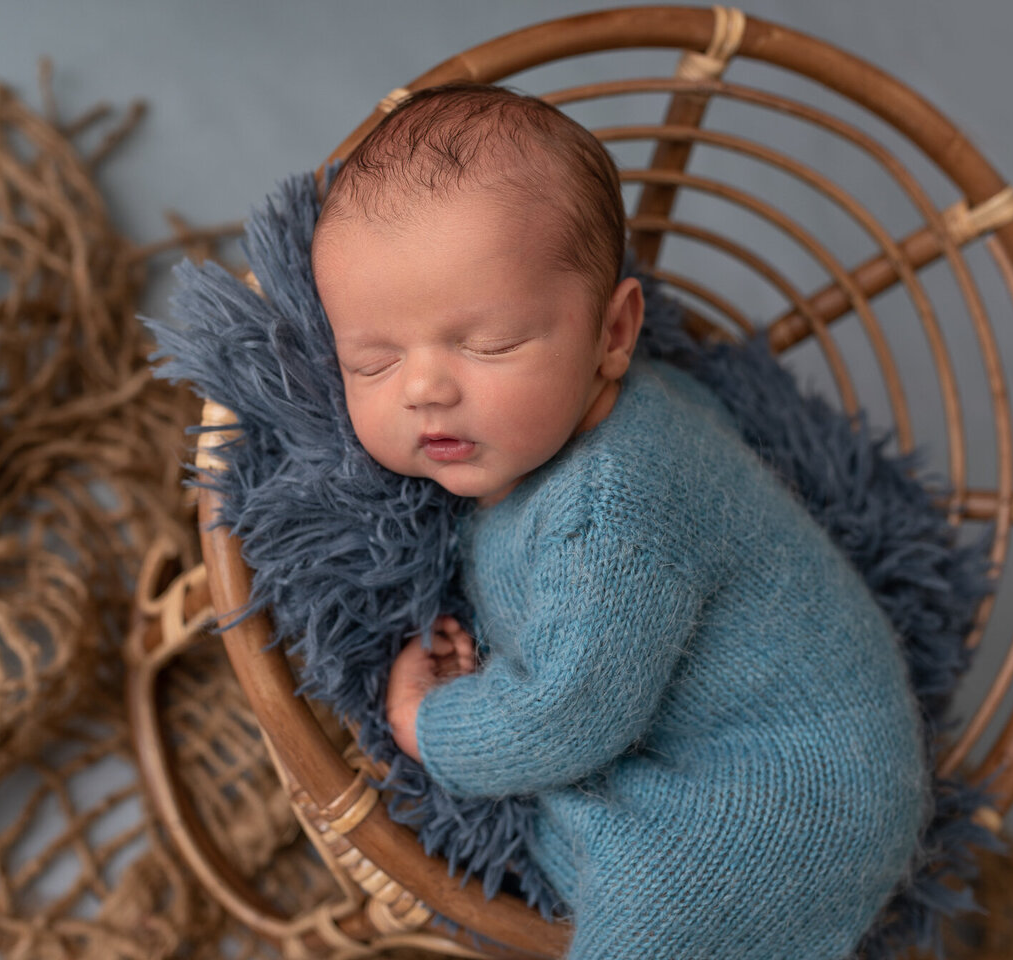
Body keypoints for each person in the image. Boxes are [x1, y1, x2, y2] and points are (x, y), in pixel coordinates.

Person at [311, 82, 927, 960]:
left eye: (485, 345)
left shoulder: (620, 505)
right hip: (703, 753)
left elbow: (568, 717)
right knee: (590, 843)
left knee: (647, 902)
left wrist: (431, 726)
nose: (423, 389)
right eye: (372, 362)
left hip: (792, 789)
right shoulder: (568, 431)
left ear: (613, 333)